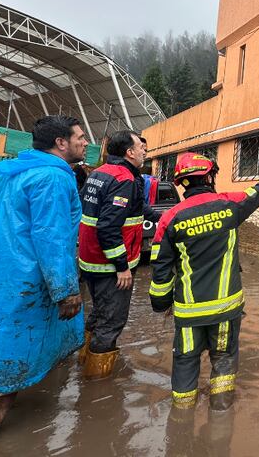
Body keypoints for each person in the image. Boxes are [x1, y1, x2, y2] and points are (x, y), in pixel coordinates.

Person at [0, 115, 88, 438]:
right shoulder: (53, 178)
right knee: (9, 366)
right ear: (61, 143)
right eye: (79, 137)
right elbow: (52, 237)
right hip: (30, 282)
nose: (85, 143)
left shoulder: (12, 174)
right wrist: (65, 290)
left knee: (0, 351)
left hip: (1, 279)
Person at [149, 152, 259, 411]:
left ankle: (182, 422)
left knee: (186, 361)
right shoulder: (229, 205)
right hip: (226, 310)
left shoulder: (170, 218)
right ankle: (221, 413)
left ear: (182, 183)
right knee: (223, 359)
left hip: (188, 313)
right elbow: (258, 193)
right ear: (209, 176)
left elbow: (160, 269)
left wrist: (161, 304)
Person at [78, 129, 159, 378]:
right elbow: (108, 226)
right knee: (112, 321)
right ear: (129, 152)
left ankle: (83, 361)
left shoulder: (100, 173)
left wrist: (167, 216)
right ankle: (98, 383)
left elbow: (137, 208)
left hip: (90, 261)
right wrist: (122, 266)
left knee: (98, 313)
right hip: (110, 266)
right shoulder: (124, 178)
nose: (144, 150)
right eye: (140, 147)